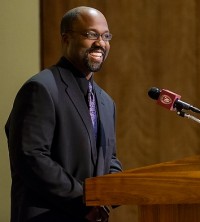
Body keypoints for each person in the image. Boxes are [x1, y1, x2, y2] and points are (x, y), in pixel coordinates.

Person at [5, 6, 122, 222]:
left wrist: (112, 193)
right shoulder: (41, 88)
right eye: (91, 34)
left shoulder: (105, 102)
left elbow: (110, 159)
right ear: (66, 39)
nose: (100, 43)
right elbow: (31, 158)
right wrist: (84, 201)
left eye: (106, 36)